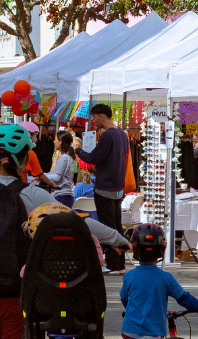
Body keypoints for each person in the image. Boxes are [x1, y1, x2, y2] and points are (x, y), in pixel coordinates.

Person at [0, 124, 129, 339]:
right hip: (16, 295)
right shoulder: (33, 195)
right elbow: (77, 221)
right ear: (23, 159)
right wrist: (118, 239)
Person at [120, 224, 198, 338]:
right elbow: (185, 299)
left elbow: (125, 300)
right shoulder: (166, 278)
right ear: (163, 249)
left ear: (134, 249)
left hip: (129, 331)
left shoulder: (129, 276)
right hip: (153, 333)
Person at [75, 103, 130, 274]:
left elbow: (95, 157)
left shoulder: (108, 136)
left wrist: (78, 151)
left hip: (105, 186)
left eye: (94, 117)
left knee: (108, 226)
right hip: (117, 186)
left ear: (102, 116)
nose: (93, 121)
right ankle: (119, 263)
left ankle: (114, 264)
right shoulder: (122, 134)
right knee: (116, 224)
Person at [40, 132, 76, 207]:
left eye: (55, 139)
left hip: (62, 196)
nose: (53, 141)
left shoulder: (64, 158)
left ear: (60, 142)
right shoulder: (69, 157)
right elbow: (55, 173)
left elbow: (57, 176)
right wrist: (41, 174)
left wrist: (41, 176)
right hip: (66, 195)